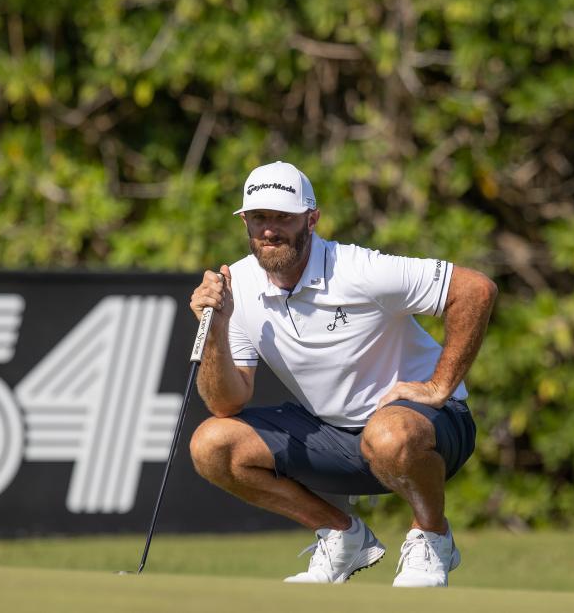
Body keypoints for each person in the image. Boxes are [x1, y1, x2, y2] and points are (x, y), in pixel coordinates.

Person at [188, 161, 497, 587]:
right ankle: (342, 536)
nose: (270, 230)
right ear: (245, 221)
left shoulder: (358, 270)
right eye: (259, 217)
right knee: (211, 444)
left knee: (388, 435)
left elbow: (475, 289)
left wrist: (440, 385)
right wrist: (216, 330)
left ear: (311, 220)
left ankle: (432, 536)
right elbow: (227, 401)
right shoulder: (236, 286)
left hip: (428, 428)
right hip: (336, 434)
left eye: (284, 217)